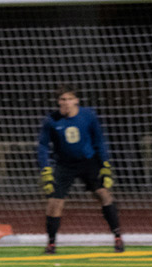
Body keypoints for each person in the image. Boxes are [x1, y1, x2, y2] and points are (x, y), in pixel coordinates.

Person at [36, 84, 124, 254]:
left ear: (76, 100)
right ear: (58, 102)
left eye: (70, 99)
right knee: (54, 203)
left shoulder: (88, 116)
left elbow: (99, 140)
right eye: (63, 99)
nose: (67, 102)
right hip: (64, 165)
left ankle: (118, 237)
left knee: (104, 194)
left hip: (88, 162)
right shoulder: (51, 120)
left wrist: (105, 164)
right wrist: (45, 170)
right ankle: (51, 243)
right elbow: (42, 146)